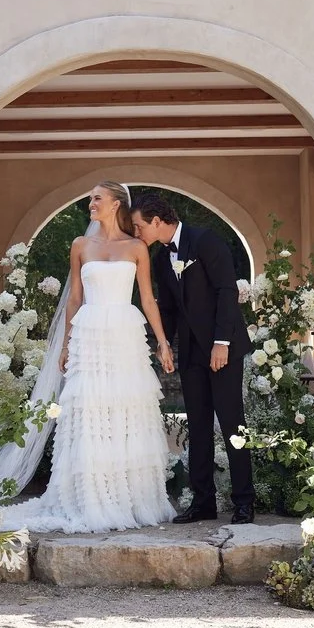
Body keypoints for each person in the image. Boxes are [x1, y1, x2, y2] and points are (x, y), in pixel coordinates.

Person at [0, 181, 177, 533]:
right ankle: (89, 497)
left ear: (116, 204)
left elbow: (148, 299)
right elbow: (74, 298)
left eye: (97, 198)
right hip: (89, 333)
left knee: (125, 408)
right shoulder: (80, 245)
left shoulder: (137, 247)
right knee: (88, 408)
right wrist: (65, 344)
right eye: (91, 198)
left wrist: (163, 341)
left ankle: (129, 498)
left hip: (124, 333)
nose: (90, 204)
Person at [130, 193, 256, 524]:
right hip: (189, 352)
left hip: (222, 347)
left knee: (232, 423)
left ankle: (244, 502)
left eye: (139, 225)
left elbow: (227, 291)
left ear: (157, 221)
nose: (137, 232)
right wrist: (164, 345)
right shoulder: (159, 260)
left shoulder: (205, 240)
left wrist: (221, 342)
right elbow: (168, 308)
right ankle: (203, 503)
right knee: (197, 426)